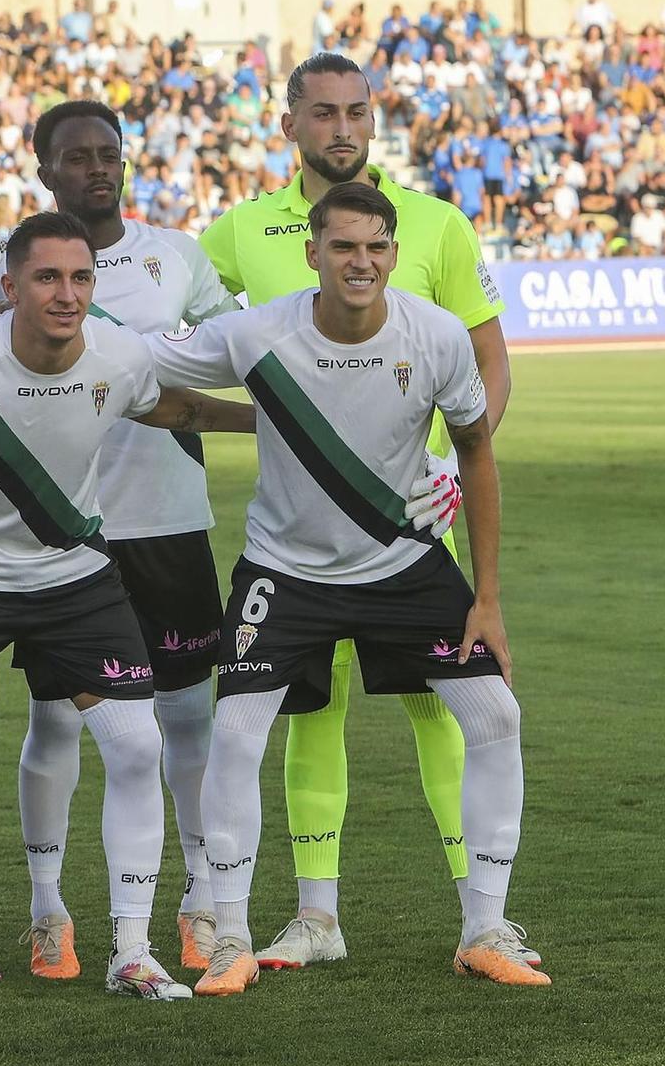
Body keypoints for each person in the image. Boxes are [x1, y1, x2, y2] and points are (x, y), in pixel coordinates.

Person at [0, 212, 253, 1016]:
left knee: (137, 749)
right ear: (9, 287)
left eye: (80, 278)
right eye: (45, 278)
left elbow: (178, 411)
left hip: (73, 574)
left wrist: (272, 420)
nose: (66, 295)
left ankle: (131, 953)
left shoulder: (121, 355)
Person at [147, 181, 547, 995]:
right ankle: (230, 936)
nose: (360, 262)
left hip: (404, 562)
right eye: (343, 247)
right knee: (237, 729)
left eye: (375, 247)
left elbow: (475, 449)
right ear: (313, 254)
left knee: (495, 714)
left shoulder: (434, 335)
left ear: (394, 256)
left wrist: (488, 597)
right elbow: (137, 365)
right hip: (284, 572)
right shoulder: (259, 331)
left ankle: (484, 926)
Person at [198, 51, 521, 972]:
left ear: (373, 121)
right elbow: (183, 336)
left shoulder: (435, 223)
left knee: (445, 715)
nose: (342, 127)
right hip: (299, 539)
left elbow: (487, 363)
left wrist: (457, 469)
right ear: (290, 121)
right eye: (324, 112)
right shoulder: (240, 231)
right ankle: (316, 917)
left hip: (412, 526)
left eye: (357, 112)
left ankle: (481, 915)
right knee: (313, 713)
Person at [0, 100, 244, 978]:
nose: (98, 167)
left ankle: (201, 899)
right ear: (44, 169)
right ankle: (50, 911)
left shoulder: (178, 257)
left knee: (186, 718)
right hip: (62, 530)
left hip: (167, 518)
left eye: (109, 153)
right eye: (76, 156)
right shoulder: (7, 268)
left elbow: (236, 349)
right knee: (53, 720)